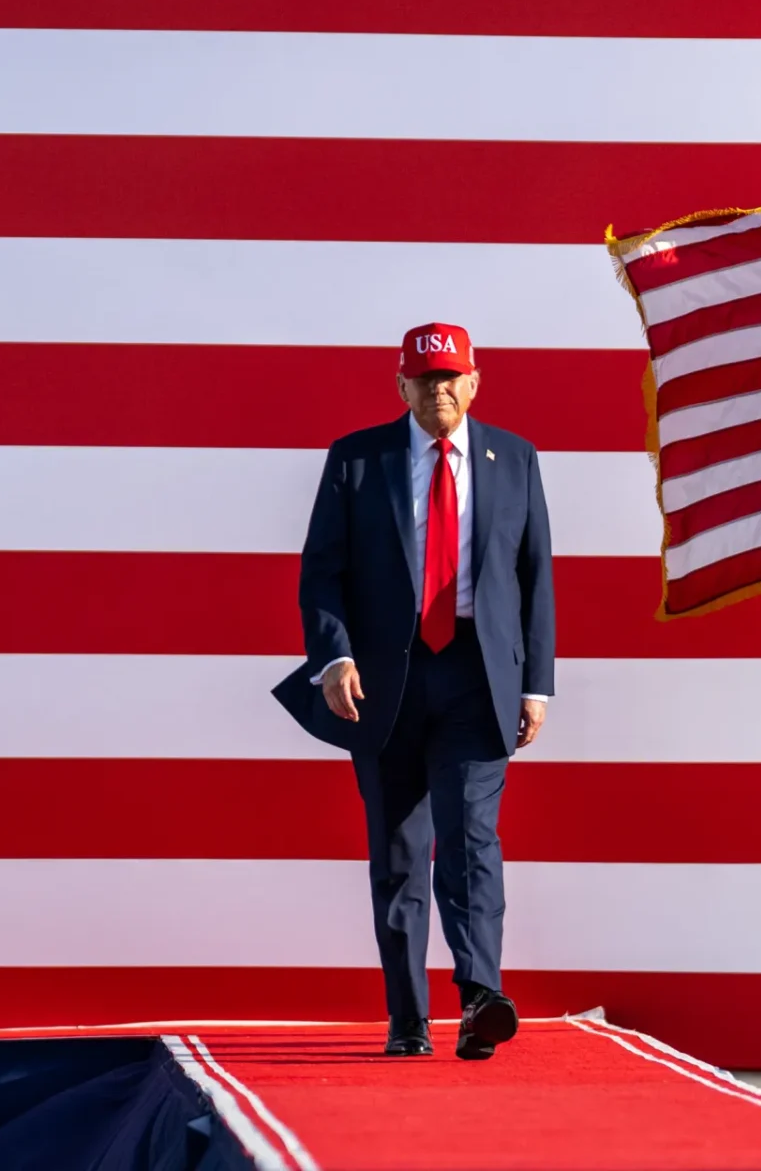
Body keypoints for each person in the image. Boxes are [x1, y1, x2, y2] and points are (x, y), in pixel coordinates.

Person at [271, 322, 556, 1061]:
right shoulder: (357, 461)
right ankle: (409, 1018)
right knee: (400, 853)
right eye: (425, 380)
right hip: (383, 682)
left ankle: (480, 999)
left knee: (471, 841)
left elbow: (535, 580)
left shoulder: (514, 460)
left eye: (452, 377)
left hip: (477, 676)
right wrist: (332, 660)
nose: (440, 391)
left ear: (474, 382)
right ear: (401, 386)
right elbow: (321, 571)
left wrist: (538, 685)